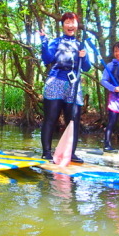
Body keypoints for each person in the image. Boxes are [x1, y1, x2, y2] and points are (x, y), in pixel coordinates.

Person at [40, 12, 91, 163]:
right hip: (56, 81)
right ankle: (46, 152)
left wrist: (84, 56)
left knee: (73, 120)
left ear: (77, 25)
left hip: (74, 84)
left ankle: (71, 153)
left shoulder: (80, 45)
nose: (70, 25)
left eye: (73, 22)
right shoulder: (56, 42)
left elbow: (87, 67)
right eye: (67, 22)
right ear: (62, 25)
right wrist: (44, 42)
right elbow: (47, 59)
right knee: (51, 118)